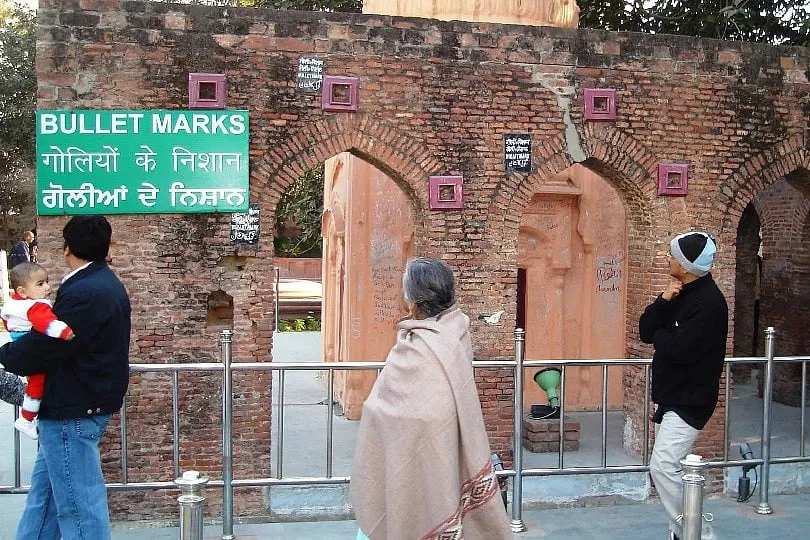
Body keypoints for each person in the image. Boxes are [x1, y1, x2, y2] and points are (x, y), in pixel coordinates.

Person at [351, 257, 513, 540]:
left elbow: (382, 410)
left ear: (413, 301)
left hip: (421, 446)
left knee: (406, 510)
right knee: (438, 492)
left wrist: (379, 412)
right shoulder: (457, 330)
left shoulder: (415, 344)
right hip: (442, 446)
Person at [0, 215, 131, 540]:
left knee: (78, 507)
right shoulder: (101, 283)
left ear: (67, 247)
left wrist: (7, 354)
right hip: (71, 409)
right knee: (43, 505)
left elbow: (47, 346)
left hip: (72, 411)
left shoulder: (86, 291)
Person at [639, 231, 728, 540]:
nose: (667, 259)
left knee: (663, 465)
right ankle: (680, 532)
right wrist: (663, 302)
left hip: (691, 399)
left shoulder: (710, 303)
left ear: (686, 265)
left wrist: (662, 337)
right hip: (671, 397)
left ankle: (699, 533)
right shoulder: (677, 292)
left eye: (671, 256)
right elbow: (645, 330)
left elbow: (680, 350)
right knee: (669, 467)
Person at [1, 262, 75, 440]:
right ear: (23, 291)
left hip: (18, 340)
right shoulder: (36, 306)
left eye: (47, 282)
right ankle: (26, 419)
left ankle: (27, 418)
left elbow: (7, 322)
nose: (48, 288)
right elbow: (46, 323)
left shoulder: (13, 304)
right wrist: (64, 332)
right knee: (36, 385)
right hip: (30, 344)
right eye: (41, 284)